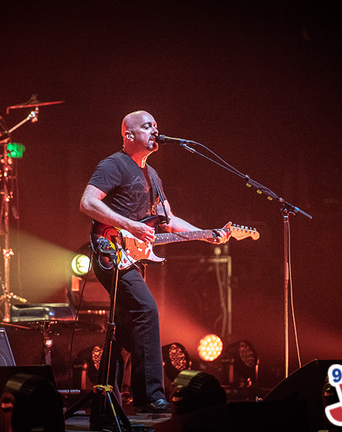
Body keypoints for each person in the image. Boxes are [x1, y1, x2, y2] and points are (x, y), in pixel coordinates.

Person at [79, 110, 230, 420]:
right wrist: (129, 225)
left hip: (134, 256)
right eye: (147, 126)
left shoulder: (153, 175)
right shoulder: (113, 164)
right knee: (147, 310)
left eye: (156, 126)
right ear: (129, 135)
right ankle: (150, 397)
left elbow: (168, 220)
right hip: (110, 251)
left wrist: (205, 235)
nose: (155, 130)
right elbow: (88, 203)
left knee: (122, 330)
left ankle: (103, 400)